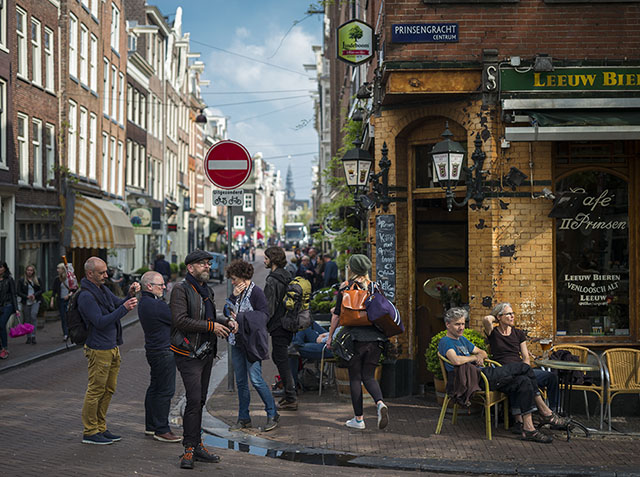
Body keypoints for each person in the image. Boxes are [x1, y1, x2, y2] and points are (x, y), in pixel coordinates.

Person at [438, 307, 560, 443]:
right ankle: (545, 411)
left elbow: (483, 352)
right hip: (476, 379)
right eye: (457, 324)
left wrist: (479, 355)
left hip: (483, 376)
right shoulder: (445, 342)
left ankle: (528, 428)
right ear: (447, 325)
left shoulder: (462, 339)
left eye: (463, 324)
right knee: (523, 368)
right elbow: (456, 360)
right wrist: (473, 358)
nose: (461, 327)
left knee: (524, 380)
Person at [170, 249, 231, 469]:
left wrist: (225, 322)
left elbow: (209, 317)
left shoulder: (205, 290)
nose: (208, 266)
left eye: (208, 263)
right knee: (194, 400)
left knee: (200, 400)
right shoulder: (180, 290)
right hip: (188, 354)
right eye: (203, 263)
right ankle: (189, 448)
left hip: (205, 353)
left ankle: (197, 444)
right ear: (190, 268)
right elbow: (180, 320)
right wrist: (211, 326)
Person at [78, 257, 140, 445]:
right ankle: (90, 431)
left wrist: (129, 295)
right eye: (102, 272)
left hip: (111, 346)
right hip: (98, 348)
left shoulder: (102, 289)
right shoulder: (86, 296)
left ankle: (100, 427)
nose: (106, 275)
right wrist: (124, 308)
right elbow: (100, 322)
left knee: (108, 389)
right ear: (90, 274)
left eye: (106, 271)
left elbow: (117, 304)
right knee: (96, 390)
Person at [327, 254, 389, 430]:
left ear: (351, 269)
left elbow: (337, 315)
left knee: (355, 377)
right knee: (369, 376)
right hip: (376, 338)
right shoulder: (375, 287)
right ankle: (379, 404)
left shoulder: (346, 288)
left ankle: (359, 419)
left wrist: (331, 337)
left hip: (354, 339)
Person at [482, 302, 565, 433]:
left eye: (512, 313)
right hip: (504, 371)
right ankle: (521, 419)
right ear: (499, 317)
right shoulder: (493, 333)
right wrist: (496, 316)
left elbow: (526, 356)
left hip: (522, 368)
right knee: (519, 380)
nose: (512, 316)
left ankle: (554, 412)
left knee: (551, 377)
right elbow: (487, 319)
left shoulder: (518, 333)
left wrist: (526, 368)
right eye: (508, 314)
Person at [225, 260, 279, 432]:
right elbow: (227, 310)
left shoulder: (256, 292)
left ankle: (272, 413)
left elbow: (263, 316)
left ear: (243, 277)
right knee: (241, 381)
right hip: (237, 342)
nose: (232, 282)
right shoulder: (236, 292)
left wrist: (240, 317)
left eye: (234, 278)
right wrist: (233, 296)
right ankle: (243, 418)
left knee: (256, 379)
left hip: (251, 343)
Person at [138, 271, 182, 443]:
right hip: (163, 351)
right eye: (160, 285)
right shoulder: (156, 305)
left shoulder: (145, 302)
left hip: (153, 350)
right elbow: (176, 319)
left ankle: (151, 425)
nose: (164, 287)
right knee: (166, 390)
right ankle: (162, 429)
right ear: (149, 286)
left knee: (155, 387)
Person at [263, 246, 298, 410]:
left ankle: (290, 396)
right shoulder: (287, 275)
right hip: (289, 323)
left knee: (281, 358)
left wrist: (261, 324)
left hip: (278, 325)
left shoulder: (272, 280)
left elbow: (268, 307)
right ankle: (288, 392)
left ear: (272, 259)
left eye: (266, 258)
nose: (264, 261)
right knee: (279, 357)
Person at [289, 321, 334, 389]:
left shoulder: (349, 320)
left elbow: (335, 338)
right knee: (304, 322)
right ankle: (295, 343)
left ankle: (291, 387)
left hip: (331, 346)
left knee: (292, 350)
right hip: (328, 336)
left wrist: (323, 338)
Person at [17, 264, 43, 344]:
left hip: (35, 301)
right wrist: (26, 296)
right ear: (26, 271)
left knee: (33, 316)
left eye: (31, 270)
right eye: (28, 270)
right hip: (26, 302)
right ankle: (28, 337)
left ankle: (33, 336)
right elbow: (18, 292)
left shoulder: (37, 279)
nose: (29, 272)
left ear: (33, 271)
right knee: (27, 319)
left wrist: (34, 295)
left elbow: (41, 289)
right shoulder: (21, 280)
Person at [0, 262, 18, 359]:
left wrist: (16, 309)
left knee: (2, 325)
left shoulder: (9, 279)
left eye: (0, 267)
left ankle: (4, 348)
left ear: (5, 268)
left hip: (7, 305)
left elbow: (13, 294)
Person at [51, 263, 73, 340]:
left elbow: (74, 289)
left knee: (69, 317)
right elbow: (54, 290)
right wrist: (52, 300)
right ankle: (66, 333)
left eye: (59, 268)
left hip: (69, 300)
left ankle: (70, 331)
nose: (57, 270)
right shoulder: (57, 279)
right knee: (63, 317)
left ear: (63, 269)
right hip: (61, 300)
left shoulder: (69, 279)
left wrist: (69, 295)